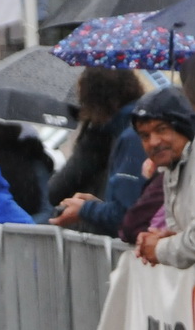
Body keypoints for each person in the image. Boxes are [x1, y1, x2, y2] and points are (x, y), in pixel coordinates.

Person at [128, 87, 195, 269]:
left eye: (162, 129)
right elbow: (182, 229)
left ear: (183, 124)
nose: (154, 142)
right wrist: (161, 238)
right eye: (145, 136)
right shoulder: (176, 158)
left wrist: (160, 248)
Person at [50, 68, 148, 236]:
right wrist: (94, 206)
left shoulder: (129, 136)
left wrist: (86, 210)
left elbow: (126, 215)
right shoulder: (130, 128)